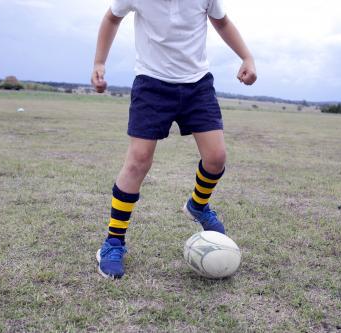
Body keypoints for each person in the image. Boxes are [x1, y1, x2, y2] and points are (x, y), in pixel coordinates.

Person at [91, 0, 257, 279]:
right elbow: (111, 18)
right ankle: (113, 243)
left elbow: (222, 22)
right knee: (138, 161)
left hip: (197, 84)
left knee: (216, 158)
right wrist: (99, 62)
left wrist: (247, 57)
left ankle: (198, 205)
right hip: (151, 84)